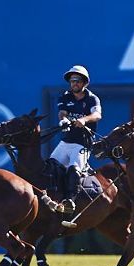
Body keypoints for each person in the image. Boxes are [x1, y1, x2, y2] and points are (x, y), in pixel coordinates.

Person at [52, 65, 101, 215]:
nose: (74, 83)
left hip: (83, 143)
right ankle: (53, 196)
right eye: (72, 81)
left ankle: (70, 201)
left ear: (84, 82)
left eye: (78, 81)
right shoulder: (65, 96)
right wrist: (64, 119)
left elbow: (97, 115)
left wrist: (84, 120)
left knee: (74, 169)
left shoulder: (92, 98)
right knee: (52, 165)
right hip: (66, 141)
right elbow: (62, 112)